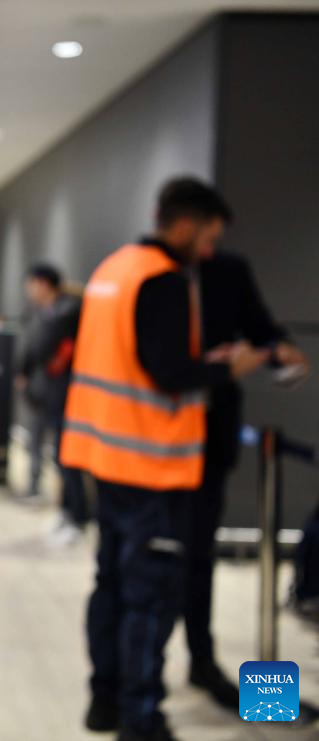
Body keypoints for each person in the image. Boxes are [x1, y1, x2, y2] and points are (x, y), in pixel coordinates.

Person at [60, 178, 268, 741]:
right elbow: (169, 371)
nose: (210, 251)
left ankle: (104, 701)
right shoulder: (164, 280)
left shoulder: (113, 270)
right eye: (209, 238)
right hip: (152, 463)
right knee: (149, 595)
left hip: (105, 453)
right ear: (185, 224)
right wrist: (229, 367)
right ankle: (141, 718)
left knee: (110, 583)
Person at [182, 215, 310, 709]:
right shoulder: (149, 274)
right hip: (150, 446)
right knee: (149, 567)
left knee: (198, 559)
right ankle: (131, 688)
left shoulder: (229, 273)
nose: (209, 247)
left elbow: (263, 331)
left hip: (211, 440)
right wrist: (217, 366)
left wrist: (278, 352)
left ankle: (203, 662)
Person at [17, 265, 88, 545]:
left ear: (43, 284)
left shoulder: (65, 312)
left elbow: (40, 346)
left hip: (67, 396)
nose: (29, 290)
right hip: (51, 394)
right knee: (59, 456)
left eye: (31, 284)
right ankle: (67, 512)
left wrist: (25, 369)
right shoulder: (47, 312)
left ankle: (77, 516)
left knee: (67, 458)